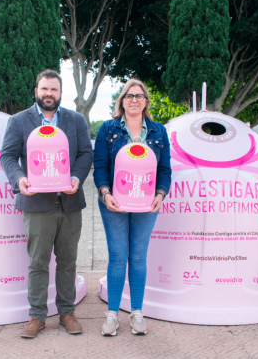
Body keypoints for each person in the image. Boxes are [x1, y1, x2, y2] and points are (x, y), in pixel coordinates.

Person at [0, 69, 93, 339]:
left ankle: (67, 312)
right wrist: (19, 179)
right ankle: (37, 316)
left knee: (68, 261)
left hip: (70, 202)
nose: (49, 94)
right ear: (36, 91)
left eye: (53, 89)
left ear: (60, 93)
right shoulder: (19, 121)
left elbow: (86, 153)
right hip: (37, 203)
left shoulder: (75, 120)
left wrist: (76, 177)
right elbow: (7, 156)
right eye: (44, 89)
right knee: (38, 262)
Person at [93, 79, 171, 336]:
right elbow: (101, 166)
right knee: (117, 257)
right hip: (113, 203)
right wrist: (105, 193)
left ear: (146, 101)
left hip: (146, 204)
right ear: (121, 101)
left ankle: (137, 312)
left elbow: (164, 169)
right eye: (129, 95)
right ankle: (112, 315)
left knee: (138, 257)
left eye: (139, 95)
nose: (134, 99)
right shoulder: (108, 129)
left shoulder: (159, 131)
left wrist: (160, 194)